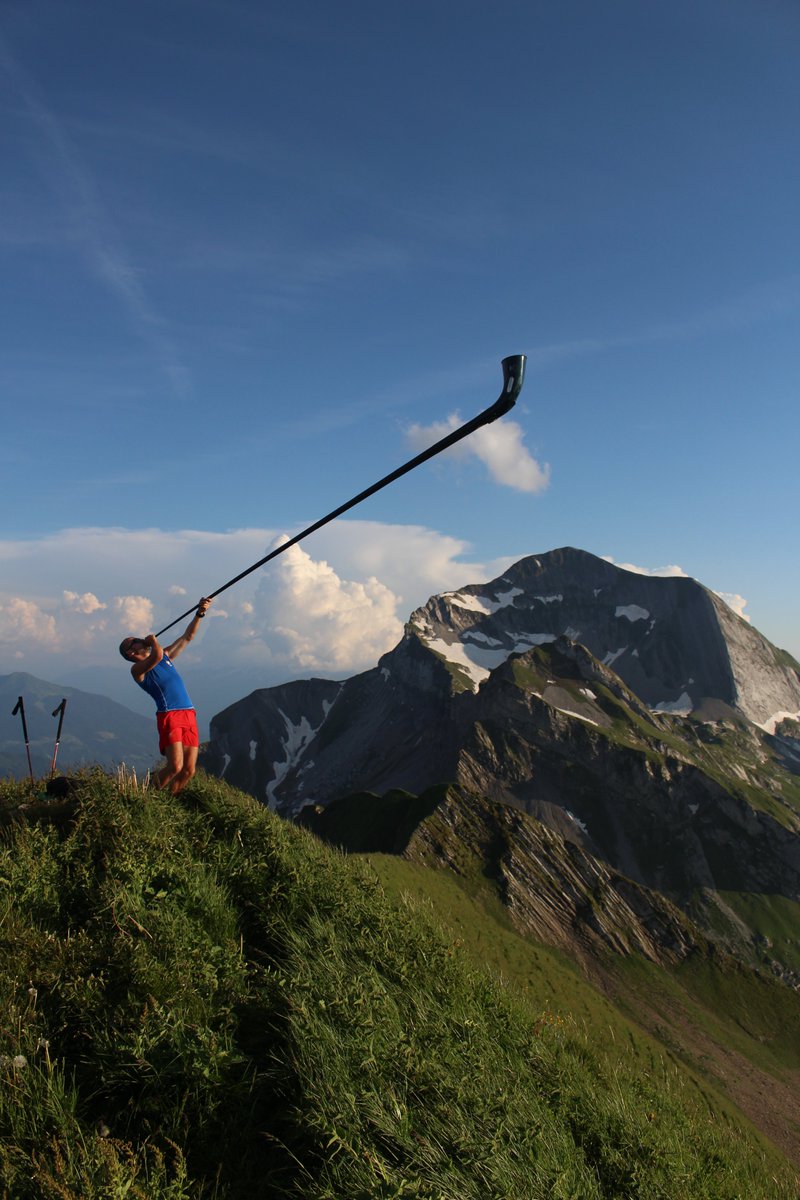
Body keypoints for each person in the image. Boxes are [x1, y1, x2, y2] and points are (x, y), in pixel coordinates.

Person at [119, 598, 212, 794]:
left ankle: (170, 801)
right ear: (130, 653)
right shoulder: (138, 670)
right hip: (169, 715)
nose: (138, 641)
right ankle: (146, 796)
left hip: (188, 713)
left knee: (188, 770)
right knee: (175, 766)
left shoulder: (165, 655)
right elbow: (156, 655)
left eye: (137, 639)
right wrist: (153, 642)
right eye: (134, 642)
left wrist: (199, 613)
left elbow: (187, 637)